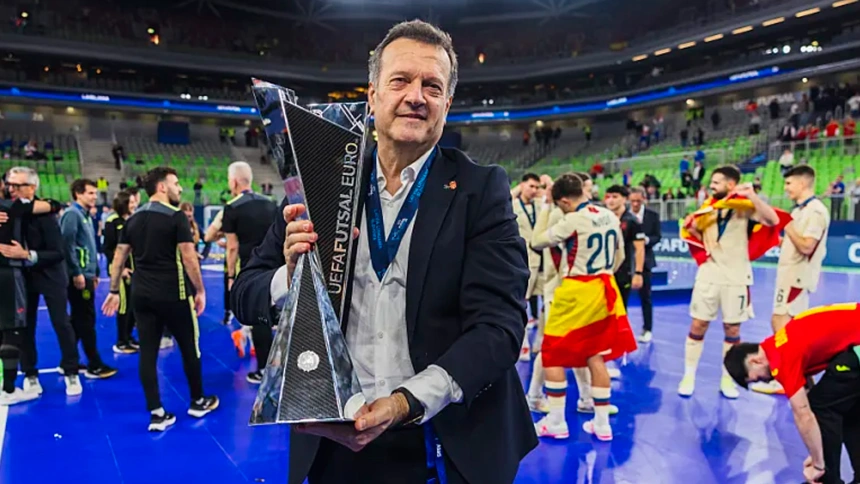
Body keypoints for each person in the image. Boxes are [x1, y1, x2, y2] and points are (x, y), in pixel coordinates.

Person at [231, 20, 536, 484]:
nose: (417, 95)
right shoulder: (319, 183)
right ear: (372, 96)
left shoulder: (480, 190)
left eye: (432, 86)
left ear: (446, 106)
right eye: (401, 81)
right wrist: (289, 279)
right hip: (333, 439)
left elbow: (499, 327)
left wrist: (404, 403)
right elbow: (246, 293)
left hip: (442, 440)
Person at [102, 167, 219, 432]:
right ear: (162, 187)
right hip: (174, 295)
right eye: (176, 184)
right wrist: (199, 291)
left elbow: (119, 258)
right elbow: (189, 258)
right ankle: (198, 400)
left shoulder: (132, 219)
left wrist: (112, 290)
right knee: (190, 347)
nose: (180, 189)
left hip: (141, 296)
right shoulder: (176, 217)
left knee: (148, 353)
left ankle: (157, 413)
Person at [530, 173, 637, 442]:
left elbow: (538, 241)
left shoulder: (572, 220)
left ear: (564, 200)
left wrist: (545, 207)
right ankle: (601, 425)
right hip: (605, 288)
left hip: (577, 290)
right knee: (596, 355)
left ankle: (555, 421)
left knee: (552, 352)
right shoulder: (610, 216)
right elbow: (621, 256)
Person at [724, 302, 860, 484]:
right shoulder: (781, 340)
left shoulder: (783, 359)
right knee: (847, 408)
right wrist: (817, 452)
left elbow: (804, 414)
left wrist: (818, 464)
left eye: (755, 379)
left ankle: (826, 478)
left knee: (821, 407)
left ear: (755, 361)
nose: (764, 381)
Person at [678, 165, 780, 399]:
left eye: (716, 182)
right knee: (697, 326)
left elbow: (773, 220)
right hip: (709, 275)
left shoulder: (745, 209)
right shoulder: (708, 209)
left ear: (731, 185)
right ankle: (689, 375)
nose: (711, 186)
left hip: (736, 277)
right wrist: (691, 228)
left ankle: (728, 378)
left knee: (732, 329)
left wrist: (753, 196)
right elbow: (696, 236)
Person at [2, 168, 82, 396]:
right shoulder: (7, 210)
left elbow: (58, 252)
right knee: (24, 326)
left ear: (32, 187)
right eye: (10, 185)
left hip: (50, 275)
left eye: (18, 186)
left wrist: (27, 255)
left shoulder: (45, 213)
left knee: (61, 323)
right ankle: (30, 373)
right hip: (21, 277)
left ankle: (71, 371)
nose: (12, 190)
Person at [753, 165, 830, 395]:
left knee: (782, 325)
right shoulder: (800, 210)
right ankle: (799, 380)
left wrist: (787, 226)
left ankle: (788, 379)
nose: (785, 188)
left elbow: (807, 246)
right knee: (786, 326)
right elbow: (794, 243)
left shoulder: (815, 211)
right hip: (789, 276)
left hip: (796, 278)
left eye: (789, 183)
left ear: (802, 183)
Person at [221, 161, 277, 384]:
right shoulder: (270, 203)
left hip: (250, 268)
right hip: (275, 264)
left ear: (233, 182)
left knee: (259, 316)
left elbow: (232, 246)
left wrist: (231, 276)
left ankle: (263, 368)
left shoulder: (232, 207)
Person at [60, 179, 117, 379]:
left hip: (87, 274)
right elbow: (67, 245)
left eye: (95, 193)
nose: (94, 197)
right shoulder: (72, 215)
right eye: (90, 193)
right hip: (79, 276)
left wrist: (95, 273)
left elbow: (89, 248)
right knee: (86, 318)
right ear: (78, 193)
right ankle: (94, 363)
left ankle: (68, 361)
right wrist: (76, 272)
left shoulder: (84, 216)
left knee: (79, 318)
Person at [102, 189, 139, 354]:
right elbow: (108, 249)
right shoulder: (112, 221)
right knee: (123, 305)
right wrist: (121, 268)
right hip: (119, 271)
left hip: (133, 269)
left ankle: (129, 336)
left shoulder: (132, 221)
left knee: (132, 304)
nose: (134, 205)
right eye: (130, 202)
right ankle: (121, 341)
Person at [512, 172, 542, 362]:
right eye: (531, 186)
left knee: (547, 304)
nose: (534, 190)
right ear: (522, 185)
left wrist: (546, 185)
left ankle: (540, 343)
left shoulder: (540, 205)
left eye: (537, 187)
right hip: (522, 260)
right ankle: (522, 345)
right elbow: (502, 196)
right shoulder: (512, 205)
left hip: (543, 261)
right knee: (520, 304)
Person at [628, 186, 660, 342]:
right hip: (625, 263)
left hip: (646, 261)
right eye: (632, 201)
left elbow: (657, 236)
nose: (635, 204)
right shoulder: (624, 217)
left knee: (646, 297)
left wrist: (644, 241)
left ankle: (647, 329)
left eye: (638, 201)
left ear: (644, 200)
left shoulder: (652, 216)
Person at [603, 185, 645, 307]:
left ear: (624, 199)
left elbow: (640, 248)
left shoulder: (632, 221)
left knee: (620, 308)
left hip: (623, 272)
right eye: (608, 197)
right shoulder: (601, 219)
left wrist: (637, 273)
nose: (610, 200)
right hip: (604, 271)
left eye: (615, 197)